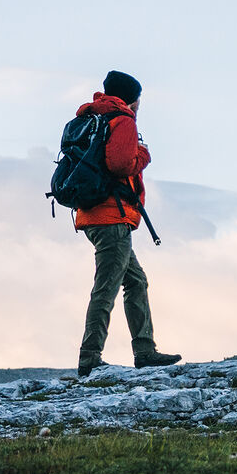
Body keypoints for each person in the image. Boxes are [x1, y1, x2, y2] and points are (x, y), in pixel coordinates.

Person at [73, 70, 180, 377]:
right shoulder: (122, 120)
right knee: (106, 287)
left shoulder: (92, 118)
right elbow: (120, 164)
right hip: (112, 217)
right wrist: (142, 156)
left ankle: (145, 350)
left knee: (135, 281)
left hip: (93, 214)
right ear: (132, 99)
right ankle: (90, 357)